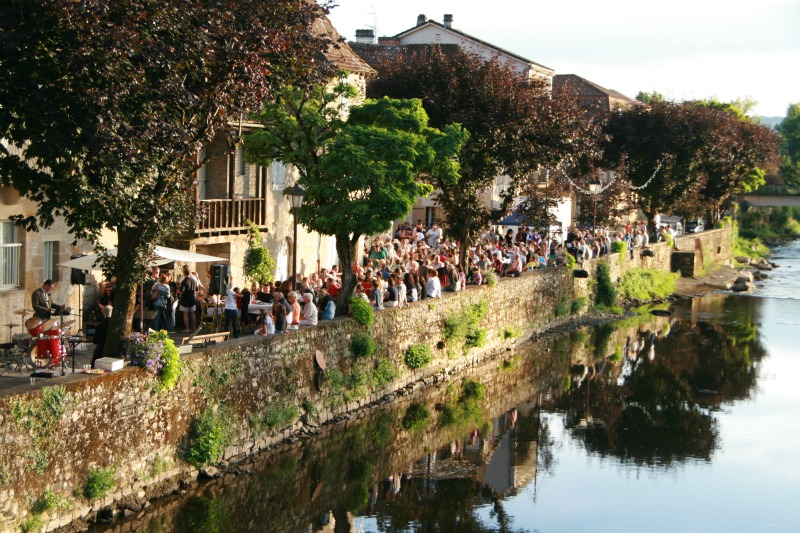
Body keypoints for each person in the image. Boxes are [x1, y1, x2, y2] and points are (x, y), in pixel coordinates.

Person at [178, 265, 199, 333]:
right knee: (193, 314)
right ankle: (194, 328)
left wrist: (178, 288)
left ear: (184, 273)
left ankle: (187, 329)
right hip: (192, 299)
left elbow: (182, 291)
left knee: (185, 314)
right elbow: (197, 290)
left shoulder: (184, 281)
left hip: (185, 299)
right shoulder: (194, 281)